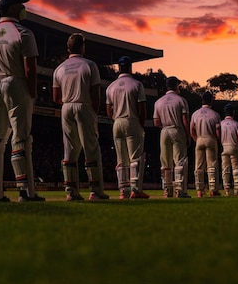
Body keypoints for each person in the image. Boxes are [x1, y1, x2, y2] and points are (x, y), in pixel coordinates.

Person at [0, 0, 45, 202]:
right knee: (21, 137)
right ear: (14, 8)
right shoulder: (23, 33)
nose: (24, 8)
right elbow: (30, 68)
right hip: (16, 83)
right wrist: (32, 92)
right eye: (22, 4)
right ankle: (25, 191)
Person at [52, 33, 108, 201]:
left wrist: (68, 101)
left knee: (69, 149)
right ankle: (95, 191)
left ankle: (71, 191)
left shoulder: (59, 68)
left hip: (66, 106)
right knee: (91, 148)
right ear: (83, 46)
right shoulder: (90, 65)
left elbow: (55, 98)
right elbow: (96, 94)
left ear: (68, 48)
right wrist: (93, 113)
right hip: (84, 105)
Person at [105, 56, 150, 199]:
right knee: (135, 158)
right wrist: (141, 125)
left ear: (119, 68)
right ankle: (135, 190)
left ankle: (123, 191)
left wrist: (115, 119)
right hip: (132, 120)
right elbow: (142, 109)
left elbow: (108, 110)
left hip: (117, 122)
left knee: (121, 159)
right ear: (130, 67)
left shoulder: (111, 87)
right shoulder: (136, 85)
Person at [153, 76, 191, 198]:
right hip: (177, 129)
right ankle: (180, 190)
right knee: (179, 160)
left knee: (165, 162)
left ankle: (167, 189)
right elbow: (185, 120)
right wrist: (188, 134)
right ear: (175, 86)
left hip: (164, 130)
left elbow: (156, 122)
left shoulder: (158, 102)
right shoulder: (181, 100)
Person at [190, 91, 222, 197]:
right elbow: (217, 132)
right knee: (212, 165)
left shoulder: (195, 114)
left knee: (199, 166)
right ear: (211, 101)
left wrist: (196, 139)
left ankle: (199, 190)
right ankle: (213, 189)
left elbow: (192, 129)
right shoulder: (215, 114)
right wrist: (217, 141)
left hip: (199, 139)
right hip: (210, 139)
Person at [220, 103, 238, 196]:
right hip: (234, 146)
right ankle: (237, 189)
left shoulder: (221, 123)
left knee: (225, 169)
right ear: (233, 112)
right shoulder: (237, 124)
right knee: (236, 169)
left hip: (224, 147)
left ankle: (226, 189)